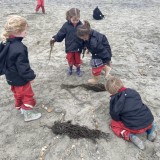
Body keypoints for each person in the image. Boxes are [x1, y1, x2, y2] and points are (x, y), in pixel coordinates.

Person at [1, 15, 41, 122]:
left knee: (17, 93)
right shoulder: (19, 48)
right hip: (20, 77)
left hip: (10, 76)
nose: (26, 32)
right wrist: (30, 76)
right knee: (27, 94)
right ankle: (27, 114)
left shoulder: (5, 42)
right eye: (25, 30)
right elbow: (22, 66)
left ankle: (20, 106)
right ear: (18, 31)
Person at [105, 76, 156, 150]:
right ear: (122, 83)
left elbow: (114, 116)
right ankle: (150, 130)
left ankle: (129, 136)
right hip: (148, 120)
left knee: (114, 125)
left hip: (135, 128)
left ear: (110, 92)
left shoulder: (114, 100)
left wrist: (119, 118)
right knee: (142, 109)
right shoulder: (133, 92)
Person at [50, 8, 84, 76]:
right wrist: (55, 38)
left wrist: (85, 45)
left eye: (77, 20)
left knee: (77, 59)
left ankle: (78, 69)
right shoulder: (66, 25)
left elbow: (84, 36)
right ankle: (70, 68)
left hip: (78, 46)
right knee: (70, 59)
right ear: (69, 17)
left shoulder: (81, 26)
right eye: (73, 20)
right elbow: (60, 34)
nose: (75, 21)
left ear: (79, 18)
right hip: (69, 47)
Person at [77, 20, 112, 84]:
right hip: (103, 51)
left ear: (87, 34)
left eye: (84, 38)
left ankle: (96, 79)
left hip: (103, 54)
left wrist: (107, 60)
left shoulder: (94, 41)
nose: (84, 39)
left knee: (95, 64)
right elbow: (88, 43)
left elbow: (98, 50)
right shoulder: (90, 34)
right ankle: (106, 68)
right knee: (98, 62)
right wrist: (87, 48)